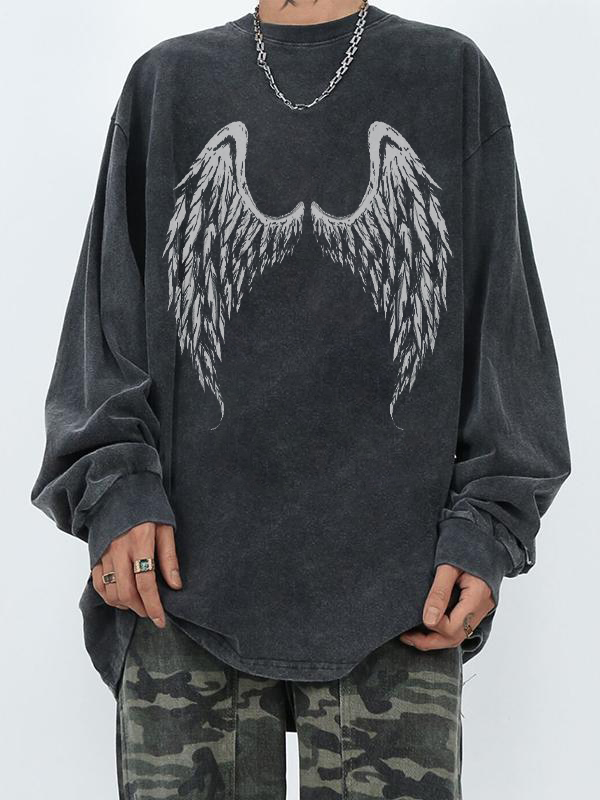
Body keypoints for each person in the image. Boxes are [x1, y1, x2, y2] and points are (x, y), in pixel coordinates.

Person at [31, 1, 570, 797]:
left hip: (401, 595)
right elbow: (101, 335)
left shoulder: (449, 76)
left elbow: (506, 335)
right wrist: (115, 490)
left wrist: (489, 525)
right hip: (178, 589)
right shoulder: (168, 83)